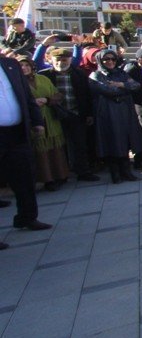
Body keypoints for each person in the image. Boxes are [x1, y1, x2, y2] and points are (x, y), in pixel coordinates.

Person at [0, 53, 49, 230]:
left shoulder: (11, 65)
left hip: (17, 132)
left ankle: (27, 217)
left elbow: (26, 96)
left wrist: (37, 121)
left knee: (25, 177)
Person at [38, 46, 100, 182]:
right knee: (59, 146)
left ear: (70, 60)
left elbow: (86, 95)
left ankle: (83, 171)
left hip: (76, 113)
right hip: (54, 116)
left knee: (80, 144)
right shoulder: (44, 75)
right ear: (51, 60)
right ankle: (61, 174)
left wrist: (88, 114)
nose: (61, 63)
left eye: (64, 60)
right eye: (58, 60)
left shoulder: (79, 74)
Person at [89, 49, 142, 183]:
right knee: (112, 140)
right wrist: (125, 89)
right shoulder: (96, 75)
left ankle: (126, 171)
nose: (110, 62)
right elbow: (108, 90)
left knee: (125, 138)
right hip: (107, 112)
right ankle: (115, 172)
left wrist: (121, 84)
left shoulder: (121, 73)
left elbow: (136, 85)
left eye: (113, 59)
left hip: (124, 111)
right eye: (106, 59)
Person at [18, 57, 70, 191]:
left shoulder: (43, 79)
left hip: (50, 118)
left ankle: (61, 175)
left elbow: (58, 95)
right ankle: (48, 179)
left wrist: (47, 99)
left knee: (56, 148)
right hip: (32, 119)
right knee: (40, 151)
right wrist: (32, 103)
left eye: (27, 65)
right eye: (21, 65)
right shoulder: (16, 82)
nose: (24, 68)